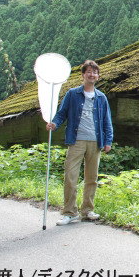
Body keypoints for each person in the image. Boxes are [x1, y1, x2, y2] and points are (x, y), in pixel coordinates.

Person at [46, 60, 113, 226]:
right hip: (76, 141)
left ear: (98, 76)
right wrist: (54, 124)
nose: (92, 75)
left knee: (92, 178)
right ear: (83, 75)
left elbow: (107, 121)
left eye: (95, 72)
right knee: (70, 176)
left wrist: (108, 140)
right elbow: (62, 114)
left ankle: (87, 210)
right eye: (89, 72)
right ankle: (70, 212)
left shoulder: (101, 97)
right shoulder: (72, 94)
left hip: (95, 141)